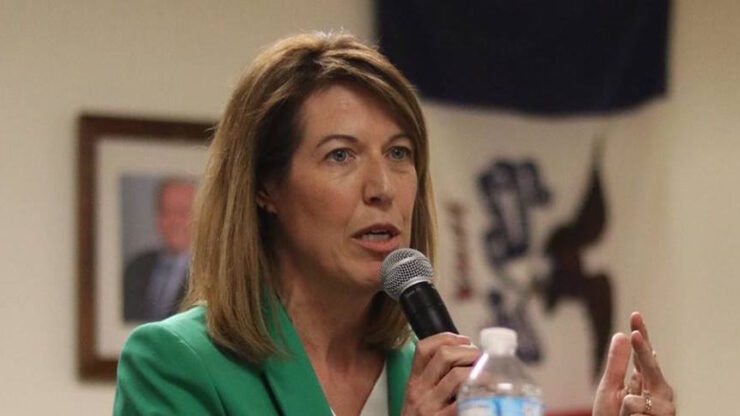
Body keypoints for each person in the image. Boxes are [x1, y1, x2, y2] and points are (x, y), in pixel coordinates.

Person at [113, 33, 675, 416]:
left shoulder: (441, 380)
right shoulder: (178, 364)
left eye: (400, 153)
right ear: (265, 188)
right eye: (341, 155)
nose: (382, 187)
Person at [123, 178, 195, 322]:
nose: (174, 221)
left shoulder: (210, 275)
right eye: (166, 212)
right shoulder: (136, 267)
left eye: (182, 212)